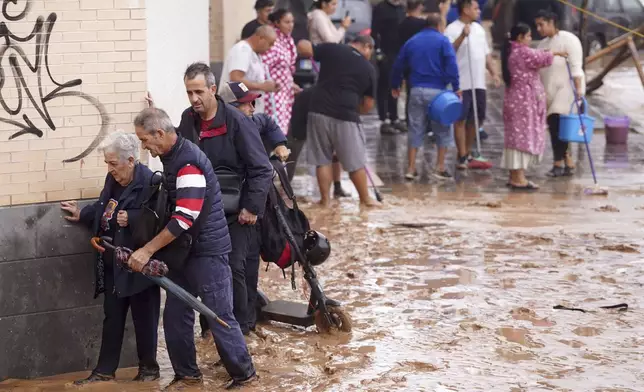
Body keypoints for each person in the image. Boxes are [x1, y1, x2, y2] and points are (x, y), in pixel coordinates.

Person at [130, 107, 256, 390]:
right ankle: (187, 376)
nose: (143, 146)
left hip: (206, 252)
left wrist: (147, 250)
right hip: (184, 252)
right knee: (175, 315)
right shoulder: (172, 156)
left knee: (219, 315)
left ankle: (245, 376)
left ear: (160, 134)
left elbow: (183, 219)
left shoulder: (188, 164)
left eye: (145, 140)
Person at [175, 63, 274, 338]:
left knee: (233, 268)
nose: (194, 99)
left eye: (198, 92)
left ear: (212, 89)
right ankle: (211, 330)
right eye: (189, 93)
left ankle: (241, 331)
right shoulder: (187, 120)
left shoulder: (237, 121)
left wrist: (251, 208)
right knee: (206, 270)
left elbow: (262, 168)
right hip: (203, 211)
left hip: (238, 211)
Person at [61, 131, 161, 386]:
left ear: (130, 160)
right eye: (107, 163)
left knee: (145, 318)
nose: (110, 168)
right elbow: (105, 206)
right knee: (112, 317)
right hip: (114, 262)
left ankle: (149, 371)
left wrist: (135, 218)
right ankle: (105, 371)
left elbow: (162, 218)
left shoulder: (150, 182)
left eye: (113, 163)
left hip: (139, 263)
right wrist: (83, 214)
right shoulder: (114, 179)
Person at [296, 35, 381, 207]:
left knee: (322, 159)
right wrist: (356, 110)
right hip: (346, 115)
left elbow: (303, 46)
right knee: (355, 162)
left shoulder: (334, 49)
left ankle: (325, 200)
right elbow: (368, 105)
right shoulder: (369, 68)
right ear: (367, 47)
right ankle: (365, 199)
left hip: (318, 110)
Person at [391, 13, 460, 181]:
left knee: (415, 128)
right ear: (439, 25)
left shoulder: (412, 41)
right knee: (442, 128)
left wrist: (395, 84)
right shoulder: (443, 41)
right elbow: (451, 64)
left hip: (416, 91)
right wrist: (456, 87)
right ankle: (440, 167)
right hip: (438, 94)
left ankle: (411, 168)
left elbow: (398, 64)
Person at [501, 23, 567, 190]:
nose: (531, 39)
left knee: (516, 137)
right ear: (520, 38)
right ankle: (518, 178)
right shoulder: (522, 52)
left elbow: (537, 54)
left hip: (516, 99)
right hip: (523, 101)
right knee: (522, 137)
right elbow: (541, 58)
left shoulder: (513, 51)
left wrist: (554, 52)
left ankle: (515, 176)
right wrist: (554, 53)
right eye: (529, 36)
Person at [444, 0, 500, 171]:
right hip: (461, 82)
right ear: (466, 9)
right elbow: (448, 52)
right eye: (475, 8)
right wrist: (462, 36)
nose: (479, 11)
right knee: (460, 118)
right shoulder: (452, 29)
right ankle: (461, 154)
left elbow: (486, 54)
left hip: (478, 82)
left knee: (477, 118)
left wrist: (494, 73)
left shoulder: (479, 29)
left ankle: (467, 151)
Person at [307, 0, 353, 197]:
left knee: (334, 150)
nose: (335, 6)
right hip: (325, 75)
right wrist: (343, 27)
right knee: (326, 150)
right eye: (333, 2)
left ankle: (336, 186)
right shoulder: (318, 16)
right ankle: (326, 197)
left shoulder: (322, 16)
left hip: (332, 90)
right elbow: (331, 41)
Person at [535, 9, 585, 177]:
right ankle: (568, 160)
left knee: (558, 124)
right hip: (549, 91)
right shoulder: (542, 45)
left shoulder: (569, 40)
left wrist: (579, 91)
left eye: (541, 25)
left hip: (568, 89)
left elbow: (576, 67)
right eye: (537, 25)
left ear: (551, 22)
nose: (538, 29)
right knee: (557, 127)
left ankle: (558, 163)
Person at [220, 25, 279, 114]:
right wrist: (261, 86)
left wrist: (267, 85)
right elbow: (236, 80)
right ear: (261, 38)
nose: (270, 48)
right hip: (238, 111)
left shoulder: (254, 53)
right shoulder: (242, 50)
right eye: (270, 43)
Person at [261, 8, 301, 134]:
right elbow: (264, 66)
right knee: (274, 129)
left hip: (285, 92)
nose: (290, 25)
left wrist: (290, 83)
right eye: (287, 22)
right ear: (277, 23)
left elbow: (286, 67)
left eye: (292, 22)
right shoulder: (272, 40)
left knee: (283, 128)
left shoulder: (288, 40)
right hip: (273, 93)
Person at [371, 0, 406, 134]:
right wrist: (379, 52)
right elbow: (374, 32)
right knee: (384, 85)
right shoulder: (381, 8)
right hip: (386, 52)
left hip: (399, 52)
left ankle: (394, 117)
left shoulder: (401, 9)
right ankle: (384, 118)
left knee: (396, 85)